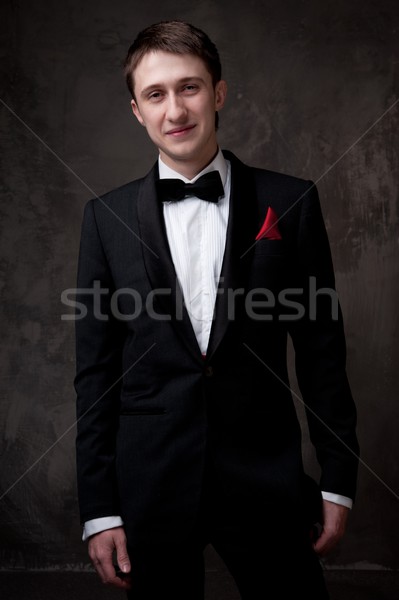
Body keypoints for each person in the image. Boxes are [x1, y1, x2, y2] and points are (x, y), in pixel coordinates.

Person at [74, 20, 359, 599]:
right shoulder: (105, 219)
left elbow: (322, 352)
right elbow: (96, 375)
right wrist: (99, 509)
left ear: (219, 93)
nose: (175, 109)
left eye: (190, 87)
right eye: (155, 94)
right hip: (150, 483)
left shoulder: (291, 201)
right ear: (137, 110)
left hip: (266, 477)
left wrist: (338, 481)